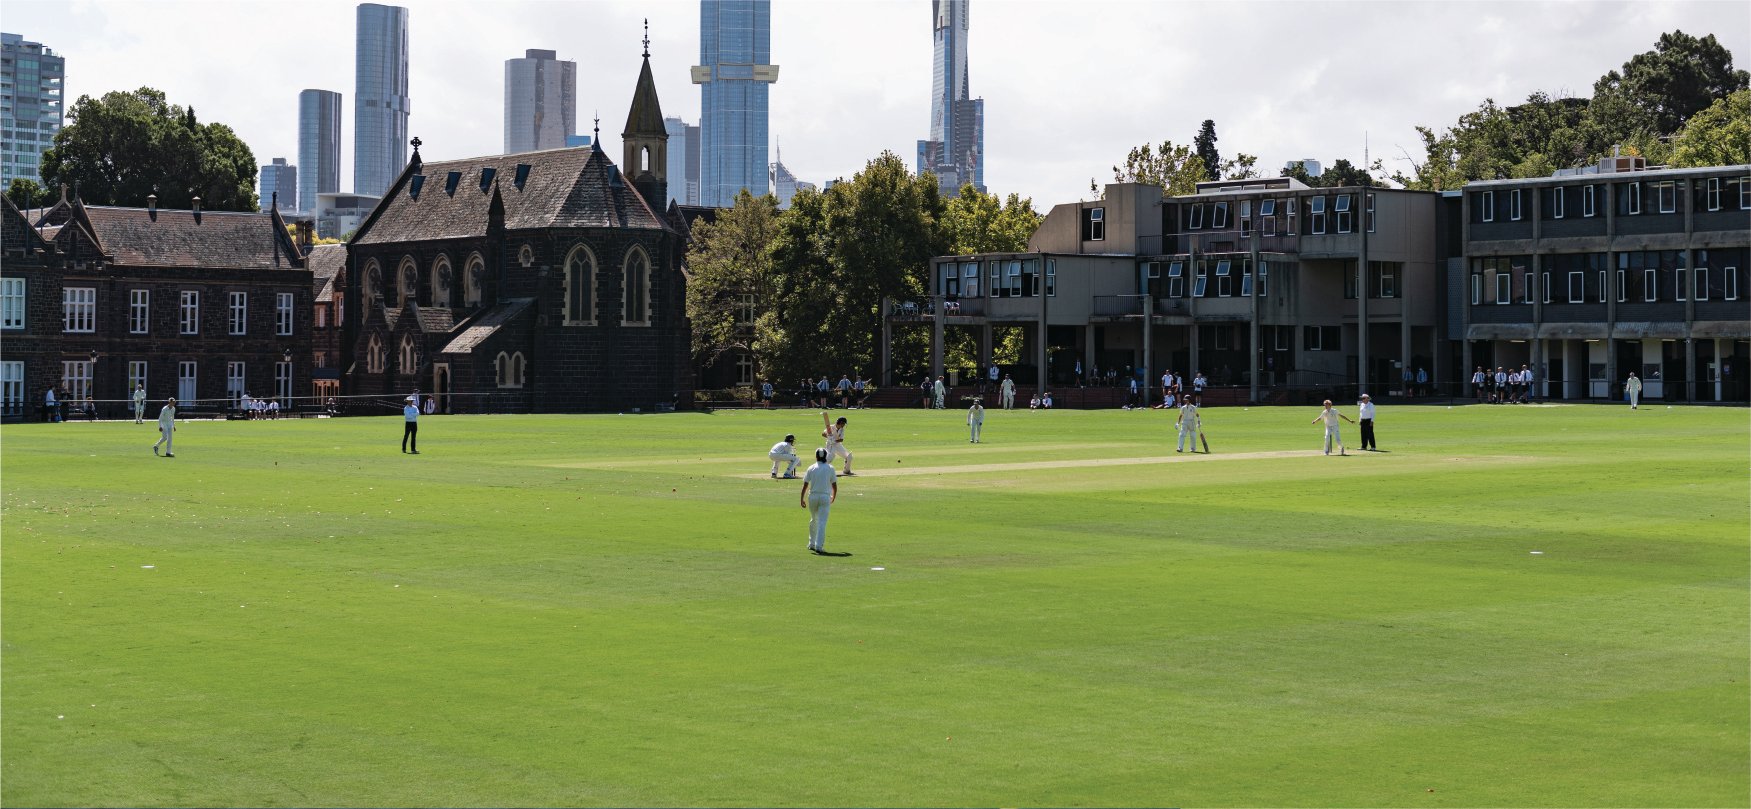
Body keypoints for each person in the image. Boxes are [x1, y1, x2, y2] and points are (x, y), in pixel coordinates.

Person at [800, 448, 839, 555]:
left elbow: (805, 485)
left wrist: (802, 499)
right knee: (822, 522)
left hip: (812, 497)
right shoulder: (830, 468)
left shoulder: (811, 468)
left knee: (814, 519)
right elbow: (834, 485)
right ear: (825, 456)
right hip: (825, 497)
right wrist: (833, 497)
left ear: (816, 456)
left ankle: (811, 543)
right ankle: (818, 546)